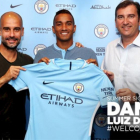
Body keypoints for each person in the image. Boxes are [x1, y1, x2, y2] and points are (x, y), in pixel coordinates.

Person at [34, 9, 110, 140]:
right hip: (49, 127)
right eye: (59, 24)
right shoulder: (41, 55)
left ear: (74, 28)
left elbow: (96, 93)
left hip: (81, 127)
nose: (64, 27)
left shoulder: (88, 54)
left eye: (68, 24)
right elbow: (32, 93)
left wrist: (97, 74)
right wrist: (37, 73)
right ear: (53, 29)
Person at [101, 0, 140, 139]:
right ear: (116, 22)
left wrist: (136, 97)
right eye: (120, 17)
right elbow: (104, 84)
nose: (125, 21)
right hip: (118, 125)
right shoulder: (110, 47)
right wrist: (108, 80)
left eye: (130, 16)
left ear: (139, 20)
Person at [0, 12, 33, 139]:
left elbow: (38, 95)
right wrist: (5, 78)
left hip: (18, 134)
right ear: (0, 31)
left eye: (16, 29)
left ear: (22, 32)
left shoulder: (28, 61)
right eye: (7, 29)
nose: (12, 35)